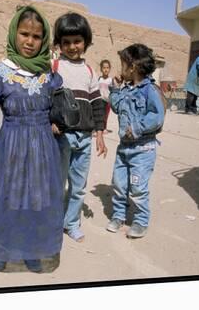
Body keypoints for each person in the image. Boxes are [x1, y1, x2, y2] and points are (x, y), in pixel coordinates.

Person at [0, 5, 64, 273]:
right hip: (12, 146)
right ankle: (5, 248)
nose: (29, 41)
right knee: (11, 197)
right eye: (24, 34)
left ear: (43, 39)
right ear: (14, 33)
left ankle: (34, 250)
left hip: (43, 148)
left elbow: (56, 106)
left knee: (37, 199)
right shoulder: (1, 72)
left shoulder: (49, 75)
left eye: (36, 37)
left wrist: (59, 122)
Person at [51, 12, 107, 243]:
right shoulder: (53, 67)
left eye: (77, 41)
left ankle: (71, 223)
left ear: (86, 41)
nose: (72, 46)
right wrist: (50, 122)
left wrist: (100, 134)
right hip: (62, 137)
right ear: (59, 44)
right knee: (57, 182)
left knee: (78, 186)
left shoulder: (90, 71)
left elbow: (97, 104)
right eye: (66, 42)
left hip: (84, 138)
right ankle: (53, 223)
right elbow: (45, 99)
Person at [106, 44, 165, 239]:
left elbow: (157, 116)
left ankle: (140, 220)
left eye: (123, 65)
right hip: (124, 147)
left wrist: (138, 127)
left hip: (143, 149)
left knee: (138, 187)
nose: (120, 69)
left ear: (132, 67)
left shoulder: (150, 90)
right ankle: (118, 215)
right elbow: (116, 107)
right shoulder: (125, 88)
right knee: (119, 184)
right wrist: (114, 89)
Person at [98, 59, 113, 132]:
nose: (106, 70)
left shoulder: (110, 80)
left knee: (105, 115)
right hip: (100, 100)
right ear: (101, 69)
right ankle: (98, 128)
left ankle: (104, 128)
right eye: (104, 68)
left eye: (107, 68)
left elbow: (113, 91)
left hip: (107, 101)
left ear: (109, 69)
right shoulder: (99, 79)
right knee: (99, 115)